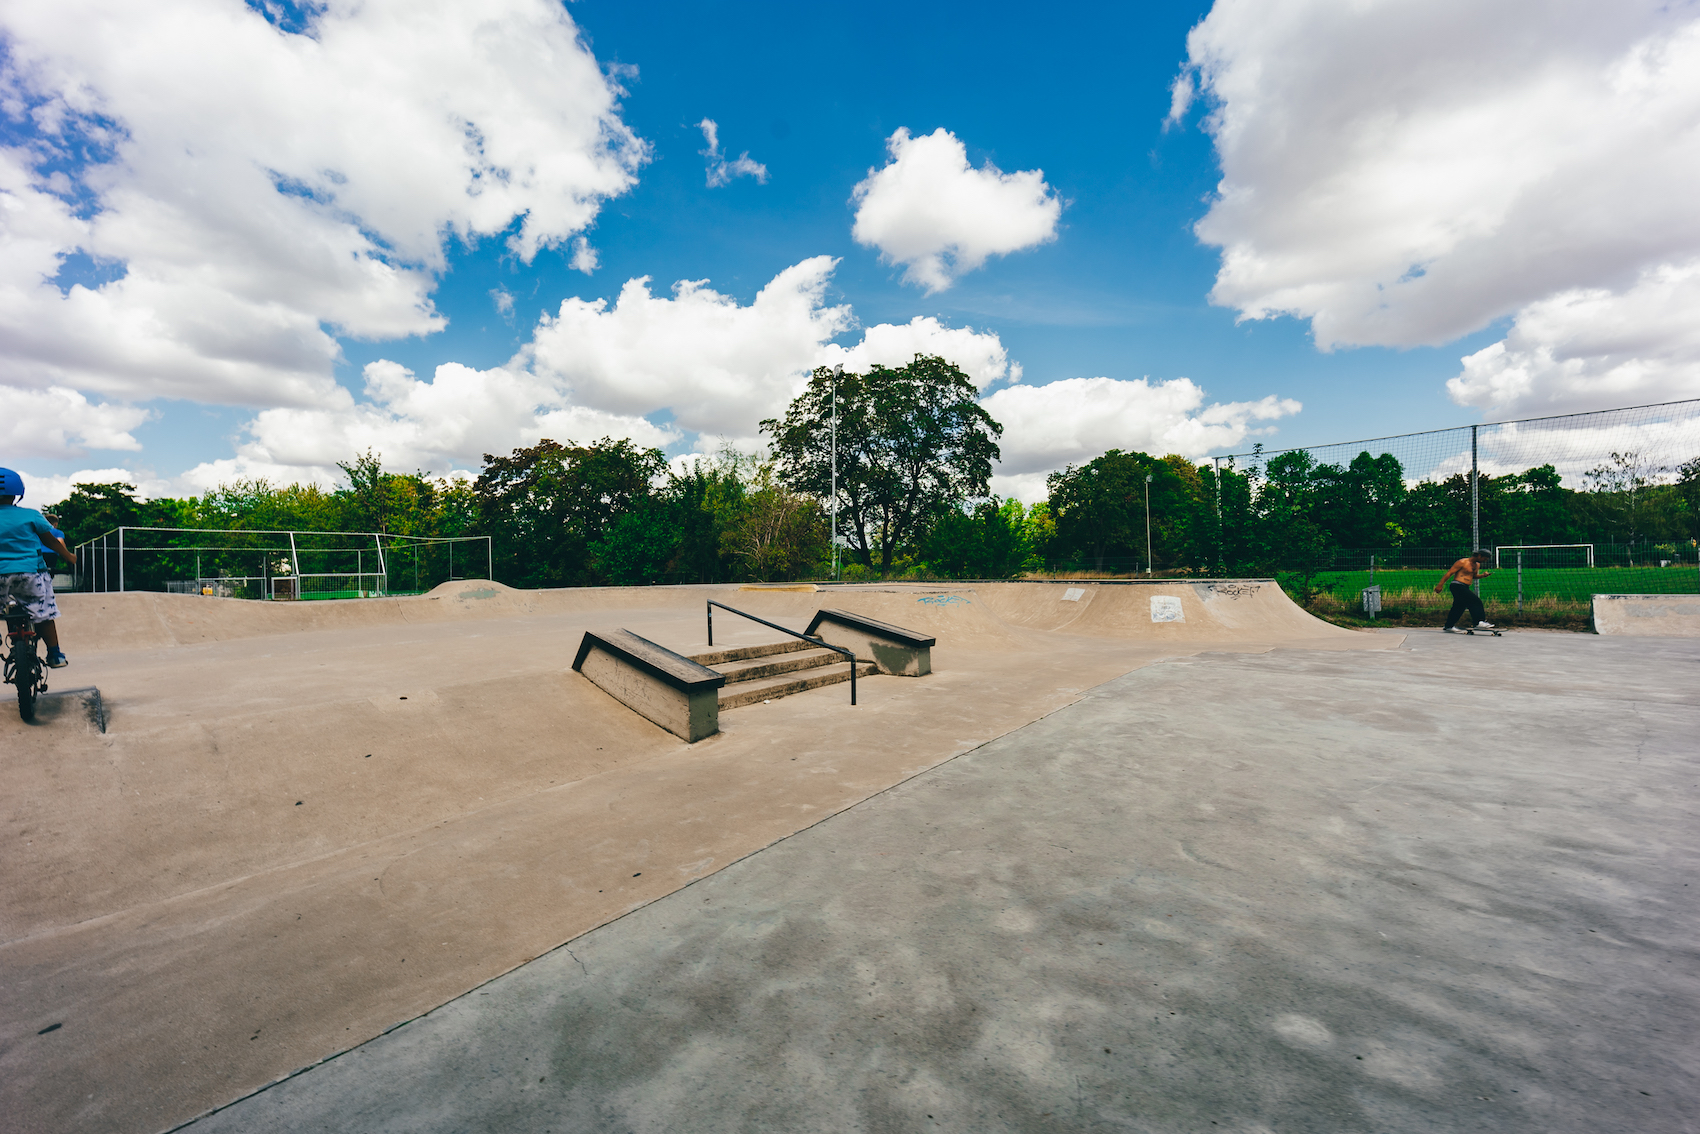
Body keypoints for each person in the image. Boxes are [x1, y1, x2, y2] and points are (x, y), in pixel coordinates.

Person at [0, 469, 77, 667]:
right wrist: (69, 556)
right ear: (18, 494)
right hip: (30, 574)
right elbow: (51, 542)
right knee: (44, 614)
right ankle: (55, 655)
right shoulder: (31, 515)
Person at [1435, 549, 1495, 634]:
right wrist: (1440, 585)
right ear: (1479, 555)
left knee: (1459, 606)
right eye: (1484, 559)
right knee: (1475, 601)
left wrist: (1482, 576)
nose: (1484, 561)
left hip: (1465, 586)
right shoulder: (1463, 562)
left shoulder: (1477, 565)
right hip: (1457, 585)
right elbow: (1449, 573)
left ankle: (1449, 626)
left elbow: (1472, 576)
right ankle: (1479, 622)